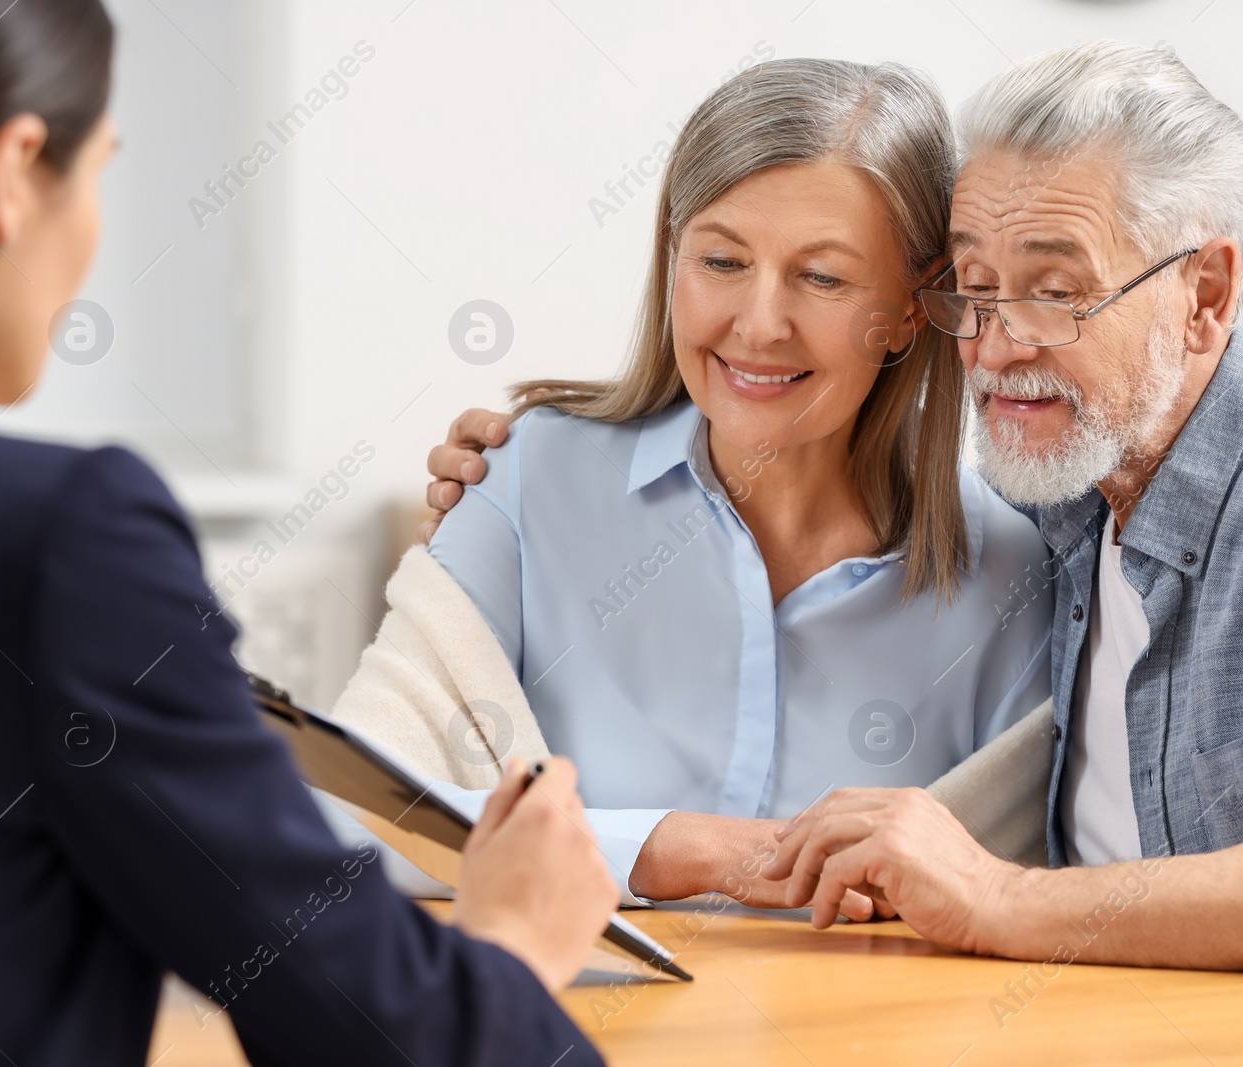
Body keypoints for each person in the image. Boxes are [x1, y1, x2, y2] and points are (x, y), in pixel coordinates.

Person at [427, 41, 1243, 979]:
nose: (996, 345)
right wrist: (536, 458)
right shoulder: (1070, 493)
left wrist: (1002, 898)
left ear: (1204, 294)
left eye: (1056, 290)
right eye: (972, 290)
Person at [0, 3, 616, 1064]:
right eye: (102, 172)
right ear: (14, 168)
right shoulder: (54, 539)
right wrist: (512, 937)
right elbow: (371, 1026)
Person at [354, 59, 1052, 913]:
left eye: (822, 277)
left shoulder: (1010, 570)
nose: (758, 325)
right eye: (721, 260)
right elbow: (350, 810)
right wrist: (664, 847)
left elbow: (1029, 892)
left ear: (914, 306)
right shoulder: (527, 479)